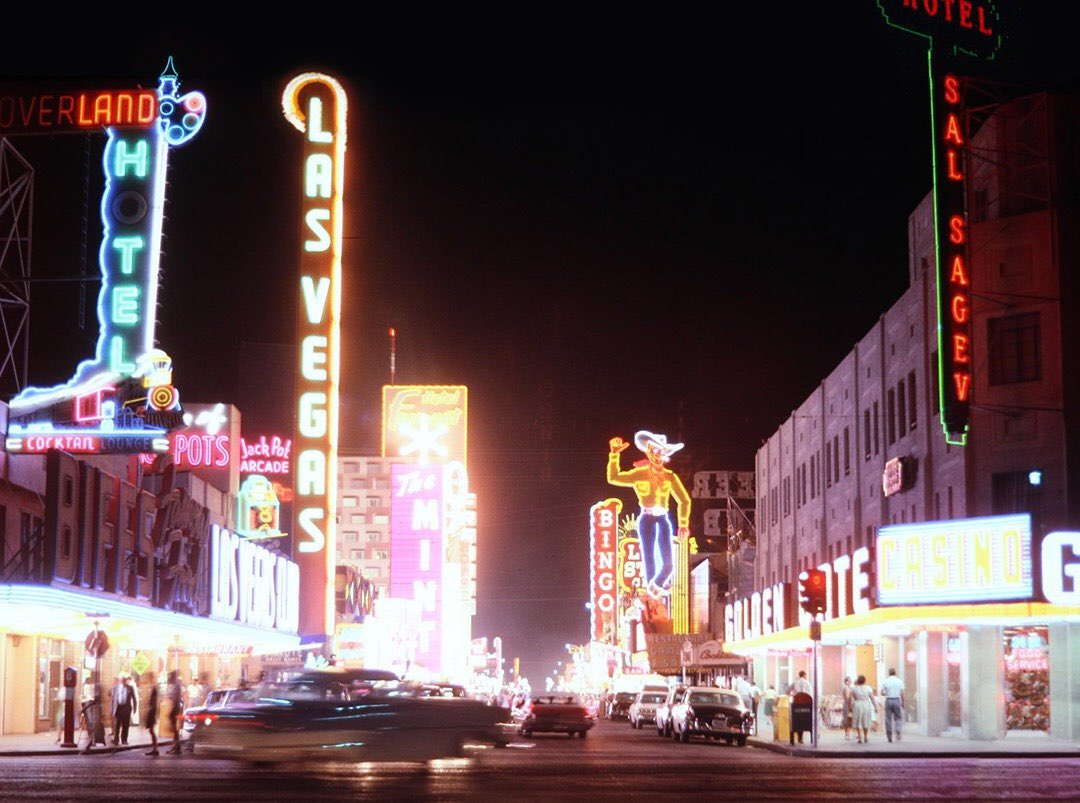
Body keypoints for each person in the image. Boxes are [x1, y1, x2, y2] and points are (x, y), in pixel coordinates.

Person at [606, 431, 691, 598]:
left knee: (668, 564)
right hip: (646, 519)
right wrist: (614, 454)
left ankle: (655, 586)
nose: (658, 455)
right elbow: (613, 477)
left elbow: (684, 500)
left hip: (663, 519)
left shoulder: (669, 476)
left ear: (666, 454)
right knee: (649, 557)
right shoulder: (640, 474)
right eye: (654, 451)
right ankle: (652, 595)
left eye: (661, 451)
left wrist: (683, 523)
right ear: (649, 452)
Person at [111, 672, 136, 746]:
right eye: (122, 679)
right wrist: (112, 709)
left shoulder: (130, 687)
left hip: (126, 708)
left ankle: (124, 739)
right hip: (118, 708)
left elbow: (134, 698)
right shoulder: (115, 688)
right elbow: (113, 699)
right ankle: (116, 740)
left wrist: (135, 707)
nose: (124, 681)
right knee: (117, 725)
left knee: (125, 725)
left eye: (125, 679)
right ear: (120, 680)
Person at [880, 668, 905, 742]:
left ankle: (889, 736)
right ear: (895, 673)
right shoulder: (899, 681)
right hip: (897, 700)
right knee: (898, 717)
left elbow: (882, 692)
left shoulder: (886, 681)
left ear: (889, 673)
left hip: (889, 700)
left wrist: (886, 693)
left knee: (888, 719)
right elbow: (902, 693)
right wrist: (903, 703)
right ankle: (897, 732)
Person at [850, 674, 875, 744]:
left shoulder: (854, 688)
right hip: (866, 704)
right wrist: (875, 706)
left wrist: (850, 706)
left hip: (857, 704)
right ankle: (866, 737)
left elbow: (850, 698)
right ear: (864, 681)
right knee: (865, 720)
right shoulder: (868, 688)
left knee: (858, 721)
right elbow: (872, 698)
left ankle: (860, 738)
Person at [166, 671, 183, 754]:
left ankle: (176, 746)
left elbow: (176, 698)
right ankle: (176, 746)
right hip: (176, 707)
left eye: (170, 676)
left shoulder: (176, 685)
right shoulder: (176, 685)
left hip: (175, 708)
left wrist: (172, 709)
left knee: (174, 728)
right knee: (174, 728)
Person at [144, 672, 160, 756]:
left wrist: (152, 710)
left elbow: (154, 701)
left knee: (151, 730)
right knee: (151, 730)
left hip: (152, 711)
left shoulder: (153, 687)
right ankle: (155, 748)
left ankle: (155, 749)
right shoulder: (152, 686)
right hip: (152, 711)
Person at [841, 676, 854, 740]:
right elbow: (847, 697)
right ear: (846, 681)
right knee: (848, 719)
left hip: (847, 704)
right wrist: (850, 706)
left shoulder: (849, 688)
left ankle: (847, 733)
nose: (851, 681)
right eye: (850, 680)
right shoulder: (846, 688)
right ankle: (847, 734)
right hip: (847, 705)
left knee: (848, 719)